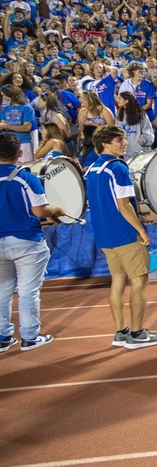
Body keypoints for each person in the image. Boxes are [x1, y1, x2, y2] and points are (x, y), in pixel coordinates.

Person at [85, 126, 157, 350]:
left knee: (118, 281)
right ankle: (137, 333)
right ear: (106, 143)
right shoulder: (118, 168)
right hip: (124, 234)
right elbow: (124, 206)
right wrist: (141, 230)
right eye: (119, 139)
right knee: (140, 282)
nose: (125, 143)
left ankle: (121, 332)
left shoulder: (92, 169)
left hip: (104, 236)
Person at [0, 131, 66, 352]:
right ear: (19, 153)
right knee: (28, 291)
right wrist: (56, 209)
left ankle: (2, 336)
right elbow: (40, 211)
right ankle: (29, 336)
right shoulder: (26, 177)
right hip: (26, 241)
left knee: (2, 289)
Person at [0, 85, 35, 162]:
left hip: (23, 142)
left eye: (5, 95)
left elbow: (26, 128)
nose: (4, 98)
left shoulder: (27, 108)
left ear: (13, 95)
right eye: (3, 96)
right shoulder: (5, 108)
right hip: (8, 144)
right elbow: (2, 125)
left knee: (26, 166)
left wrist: (7, 126)